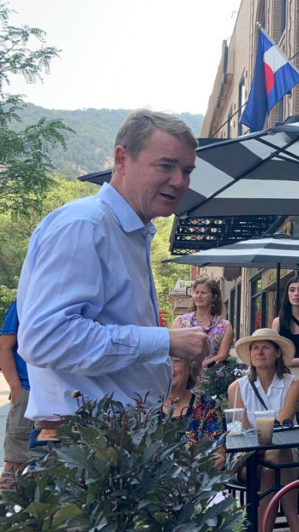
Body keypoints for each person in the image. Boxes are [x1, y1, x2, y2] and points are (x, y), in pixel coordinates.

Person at [16, 110, 209, 432]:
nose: (179, 181)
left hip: (115, 437)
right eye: (166, 165)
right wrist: (164, 341)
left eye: (187, 170)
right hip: (84, 440)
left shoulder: (126, 232)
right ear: (121, 159)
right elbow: (45, 339)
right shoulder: (85, 225)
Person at [227, 328, 299, 532]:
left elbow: (282, 425)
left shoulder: (292, 383)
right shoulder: (236, 388)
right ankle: (295, 525)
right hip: (249, 461)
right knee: (271, 463)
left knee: (274, 465)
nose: (259, 352)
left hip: (282, 455)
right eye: (254, 348)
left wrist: (265, 433)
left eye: (265, 347)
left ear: (278, 352)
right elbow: (243, 435)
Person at [162, 356, 226, 471]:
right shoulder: (145, 408)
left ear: (190, 368)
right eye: (163, 360)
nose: (168, 367)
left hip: (194, 485)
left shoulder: (207, 406)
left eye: (176, 360)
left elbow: (218, 456)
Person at [0, 300, 32, 486]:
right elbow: (4, 346)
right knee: (14, 465)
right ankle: (8, 511)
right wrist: (16, 387)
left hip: (59, 395)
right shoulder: (23, 302)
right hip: (28, 392)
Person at [172, 276, 233, 369]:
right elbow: (171, 349)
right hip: (182, 375)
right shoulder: (180, 322)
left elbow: (222, 355)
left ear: (214, 297)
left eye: (203, 293)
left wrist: (201, 366)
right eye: (196, 292)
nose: (199, 296)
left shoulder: (224, 326)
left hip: (209, 377)